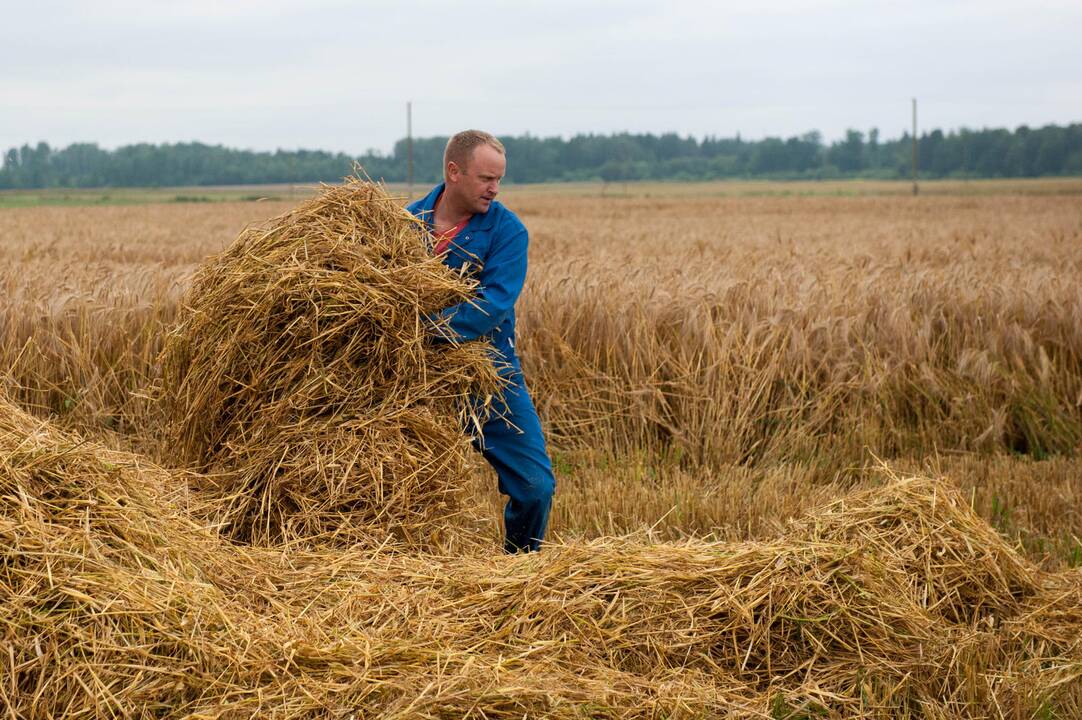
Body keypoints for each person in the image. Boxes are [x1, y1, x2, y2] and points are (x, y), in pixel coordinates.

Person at [407, 130, 556, 553]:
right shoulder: (404, 223)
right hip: (410, 376)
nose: (494, 189)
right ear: (454, 172)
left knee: (535, 487)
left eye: (499, 180)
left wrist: (422, 333)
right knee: (398, 486)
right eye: (485, 178)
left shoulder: (508, 232)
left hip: (486, 373)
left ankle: (518, 573)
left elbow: (492, 304)